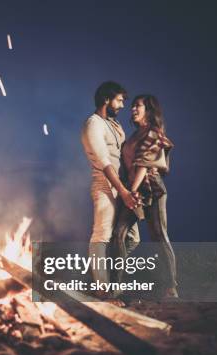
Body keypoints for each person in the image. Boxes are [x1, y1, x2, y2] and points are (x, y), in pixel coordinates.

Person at [111, 95, 178, 299]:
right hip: (133, 190)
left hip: (151, 189)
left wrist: (130, 191)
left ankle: (171, 287)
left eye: (137, 105)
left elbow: (143, 164)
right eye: (132, 106)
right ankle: (116, 286)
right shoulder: (133, 136)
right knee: (118, 234)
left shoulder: (153, 133)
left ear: (148, 110)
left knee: (159, 235)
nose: (132, 109)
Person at [80, 81, 140, 300]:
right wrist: (123, 191)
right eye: (120, 100)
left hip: (122, 186)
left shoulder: (114, 125)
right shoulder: (93, 124)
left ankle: (114, 280)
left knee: (132, 238)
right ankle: (102, 288)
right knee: (101, 234)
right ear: (107, 99)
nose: (123, 105)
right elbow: (105, 164)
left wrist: (131, 188)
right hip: (105, 185)